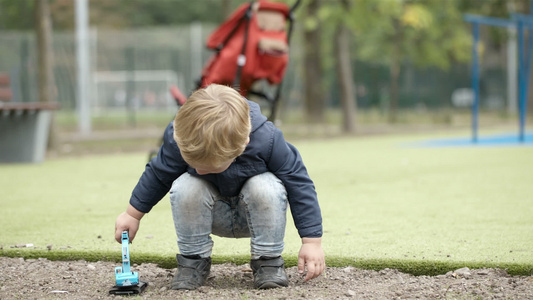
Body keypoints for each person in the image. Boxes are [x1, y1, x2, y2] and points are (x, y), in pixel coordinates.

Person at [114, 84, 324, 290]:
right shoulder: (184, 135)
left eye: (209, 166)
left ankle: (267, 262)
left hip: (256, 217)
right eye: (195, 163)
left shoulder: (267, 139)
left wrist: (312, 242)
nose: (200, 169)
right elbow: (158, 175)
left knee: (266, 185)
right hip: (208, 215)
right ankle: (193, 261)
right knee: (185, 184)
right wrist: (132, 214)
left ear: (243, 143)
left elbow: (299, 183)